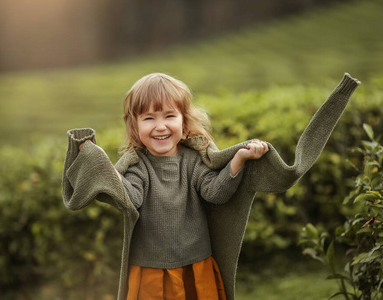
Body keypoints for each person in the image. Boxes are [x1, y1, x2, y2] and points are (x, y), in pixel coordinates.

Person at [62, 72, 360, 300]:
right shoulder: (137, 165)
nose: (160, 125)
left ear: (184, 120)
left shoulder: (194, 160)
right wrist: (97, 162)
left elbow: (215, 193)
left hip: (196, 266)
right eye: (149, 118)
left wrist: (240, 159)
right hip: (152, 272)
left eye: (169, 115)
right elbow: (131, 198)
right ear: (135, 126)